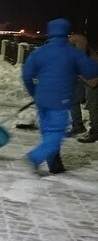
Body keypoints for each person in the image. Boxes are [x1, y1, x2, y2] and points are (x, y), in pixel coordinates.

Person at [22, 18, 98, 174]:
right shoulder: (72, 53)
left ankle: (55, 166)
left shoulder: (40, 51)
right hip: (60, 100)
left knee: (48, 133)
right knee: (56, 134)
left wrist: (34, 92)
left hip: (42, 100)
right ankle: (35, 157)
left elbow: (27, 75)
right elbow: (90, 72)